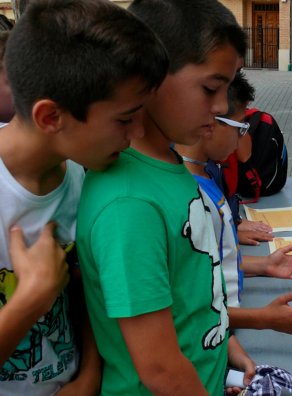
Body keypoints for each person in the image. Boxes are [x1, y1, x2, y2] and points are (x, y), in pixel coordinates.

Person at [75, 0, 255, 394]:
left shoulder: (171, 162)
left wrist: (224, 348)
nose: (222, 106)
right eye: (211, 88)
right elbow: (158, 368)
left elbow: (191, 295)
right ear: (151, 74)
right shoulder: (129, 203)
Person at [0, 0, 169, 394]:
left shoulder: (82, 174)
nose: (138, 133)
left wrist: (90, 373)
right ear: (51, 118)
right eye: (125, 119)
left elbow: (91, 293)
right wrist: (30, 301)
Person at [177, 72, 292, 338]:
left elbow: (209, 262)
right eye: (241, 127)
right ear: (211, 122)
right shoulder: (186, 195)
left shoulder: (208, 173)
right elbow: (188, 300)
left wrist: (264, 265)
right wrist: (262, 319)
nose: (243, 139)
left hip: (223, 332)